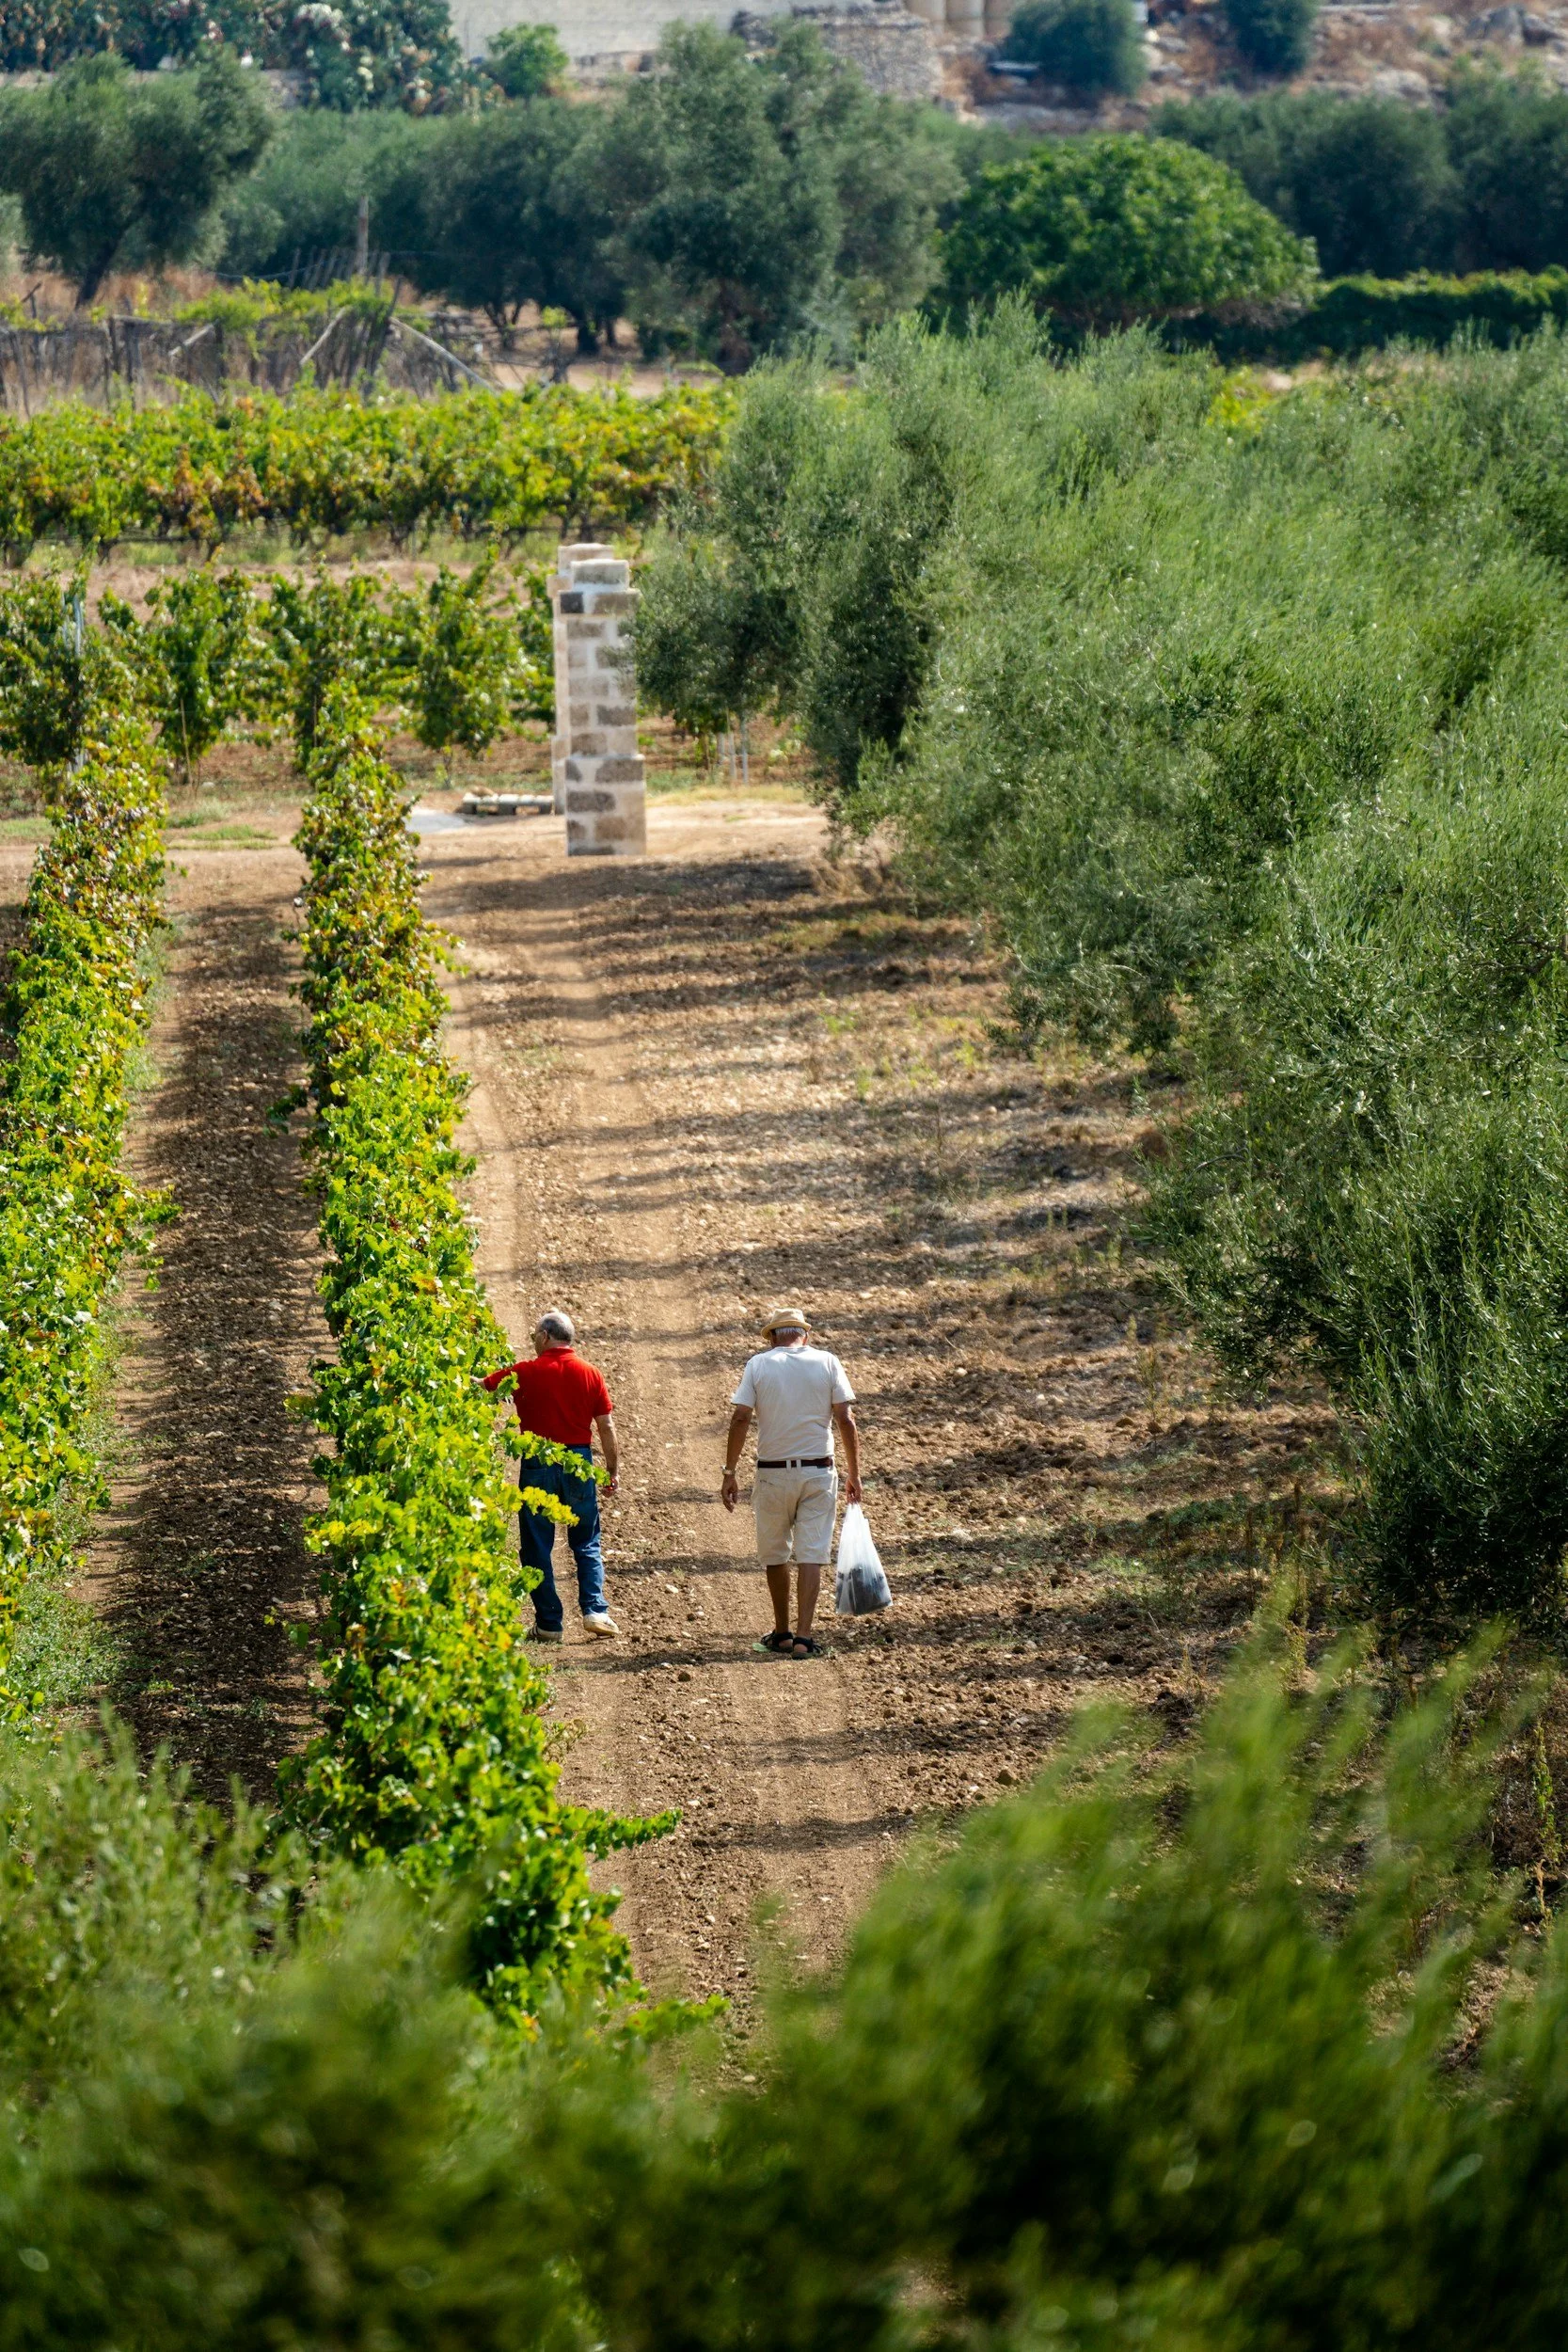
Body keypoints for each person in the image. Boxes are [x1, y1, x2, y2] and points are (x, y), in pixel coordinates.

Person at [721, 1304, 862, 1660]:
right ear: (806, 1335)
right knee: (811, 1552)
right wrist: (855, 1473)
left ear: (772, 1338)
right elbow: (845, 1418)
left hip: (772, 1470)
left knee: (775, 1552)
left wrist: (729, 1471)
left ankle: (781, 1631)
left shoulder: (758, 1364)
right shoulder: (828, 1361)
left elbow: (741, 1418)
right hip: (819, 1469)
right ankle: (803, 1637)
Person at [482, 1310, 620, 1643]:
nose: (532, 1341)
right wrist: (611, 1472)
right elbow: (606, 1426)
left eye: (534, 1336)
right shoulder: (590, 1373)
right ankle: (595, 1611)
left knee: (537, 1546)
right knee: (586, 1540)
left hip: (538, 1461)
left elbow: (482, 1388)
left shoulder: (525, 1372)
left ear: (545, 1336)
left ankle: (549, 1624)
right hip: (579, 1461)